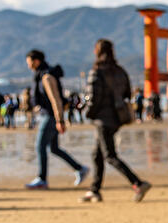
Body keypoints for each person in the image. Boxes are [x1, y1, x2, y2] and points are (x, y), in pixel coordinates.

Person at [80, 39, 150, 203]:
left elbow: (93, 98)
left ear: (97, 51)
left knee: (109, 155)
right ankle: (94, 190)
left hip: (102, 119)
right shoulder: (120, 71)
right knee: (97, 154)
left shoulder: (97, 71)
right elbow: (127, 93)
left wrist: (88, 113)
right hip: (117, 118)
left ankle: (138, 183)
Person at [25, 50, 88, 190]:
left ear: (36, 61)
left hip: (51, 116)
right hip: (51, 115)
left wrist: (60, 120)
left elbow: (55, 99)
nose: (28, 65)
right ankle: (80, 168)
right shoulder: (42, 75)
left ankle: (42, 178)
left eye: (29, 62)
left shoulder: (46, 77)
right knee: (54, 148)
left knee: (40, 145)